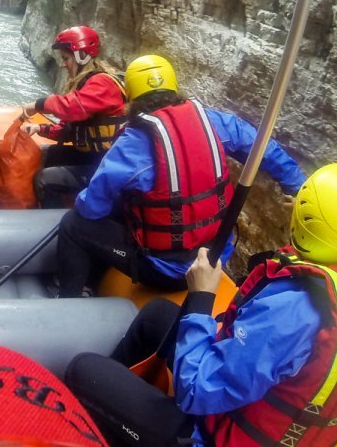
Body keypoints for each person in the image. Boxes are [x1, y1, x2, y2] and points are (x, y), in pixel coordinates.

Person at [63, 163, 337, 447]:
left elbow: (196, 391)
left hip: (210, 434)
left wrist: (201, 297)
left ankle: (107, 421)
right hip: (266, 412)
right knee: (158, 315)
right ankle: (124, 401)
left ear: (304, 224)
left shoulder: (294, 309)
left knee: (82, 370)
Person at [56, 54, 307, 296]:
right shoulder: (213, 121)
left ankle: (68, 299)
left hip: (167, 273)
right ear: (174, 88)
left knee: (72, 225)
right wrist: (298, 187)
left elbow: (92, 209)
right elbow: (263, 146)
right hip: (215, 256)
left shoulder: (133, 142)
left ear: (132, 96)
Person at [19, 25, 127, 207]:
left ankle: (53, 226)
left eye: (66, 58)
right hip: (94, 157)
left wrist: (37, 105)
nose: (62, 64)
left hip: (108, 165)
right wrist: (40, 128)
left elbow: (71, 108)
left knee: (45, 179)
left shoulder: (102, 83)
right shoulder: (88, 85)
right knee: (47, 155)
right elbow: (69, 128)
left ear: (82, 56)